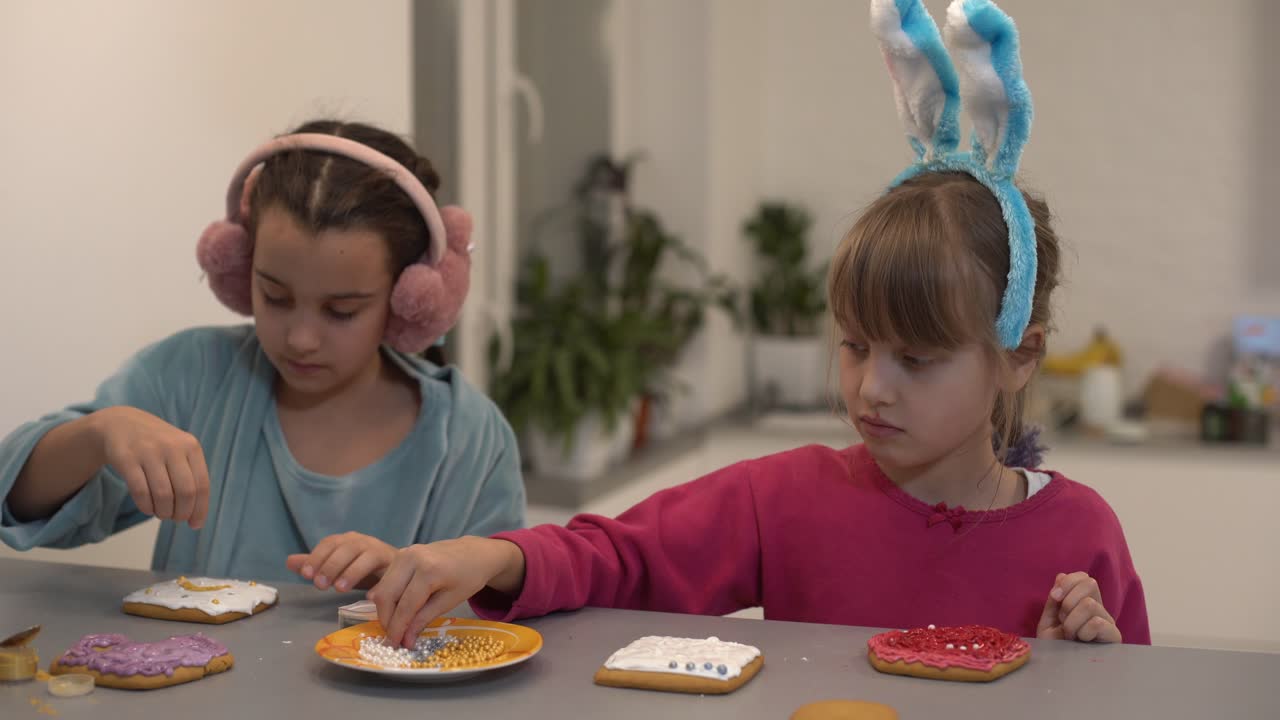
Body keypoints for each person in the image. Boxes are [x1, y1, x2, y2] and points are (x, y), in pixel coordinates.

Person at [361, 0, 1150, 649]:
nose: (871, 386)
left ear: (1019, 355)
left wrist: (1090, 675)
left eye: (917, 358)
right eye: (853, 344)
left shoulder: (1082, 537)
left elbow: (1143, 695)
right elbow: (623, 557)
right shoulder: (788, 497)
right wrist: (488, 554)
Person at [0, 119, 525, 584]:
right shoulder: (191, 378)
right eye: (274, 295)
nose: (300, 338)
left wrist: (413, 583)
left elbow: (493, 620)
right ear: (238, 267)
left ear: (410, 299)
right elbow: (13, 498)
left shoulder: (469, 440)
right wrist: (98, 434)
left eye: (341, 311)